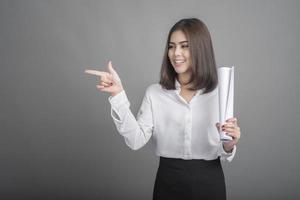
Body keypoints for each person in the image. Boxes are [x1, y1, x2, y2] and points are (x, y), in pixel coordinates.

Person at [85, 18, 241, 200]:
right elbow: (135, 140)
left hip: (209, 182)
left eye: (184, 46)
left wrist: (229, 144)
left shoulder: (219, 94)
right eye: (171, 46)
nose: (176, 53)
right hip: (168, 182)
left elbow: (224, 147)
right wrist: (118, 95)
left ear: (200, 49)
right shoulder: (155, 93)